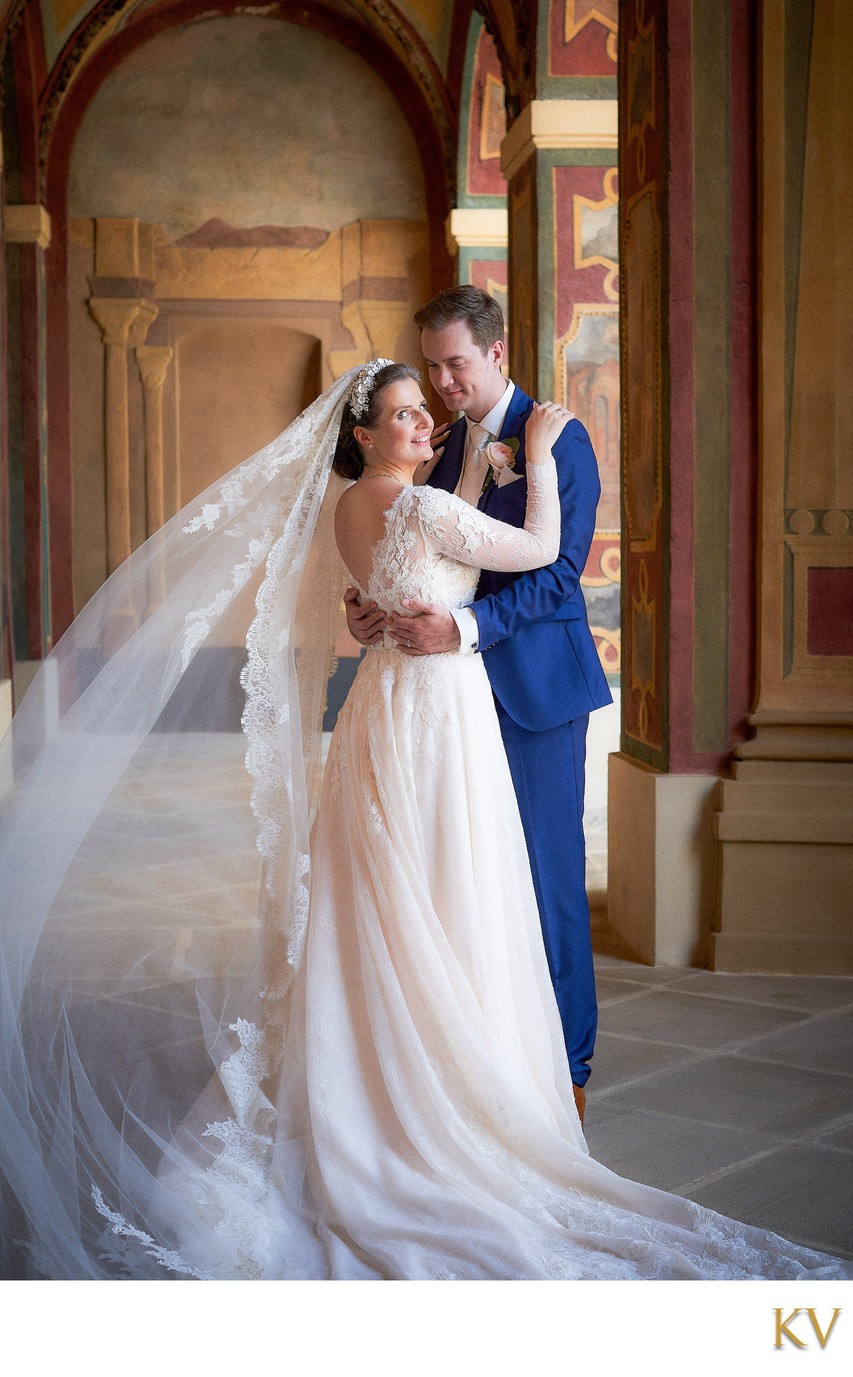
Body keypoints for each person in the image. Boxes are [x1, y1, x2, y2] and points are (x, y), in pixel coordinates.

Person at [0, 359, 847, 1282]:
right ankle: (448, 1080)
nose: (423, 423)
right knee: (457, 880)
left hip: (378, 707)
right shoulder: (421, 507)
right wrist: (540, 455)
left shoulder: (351, 508)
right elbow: (542, 549)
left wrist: (397, 573)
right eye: (404, 413)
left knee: (385, 887)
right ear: (361, 433)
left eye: (423, 410)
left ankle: (371, 1057)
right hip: (439, 711)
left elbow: (381, 591)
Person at [346, 287, 610, 1122]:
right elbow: (405, 548)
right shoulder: (439, 443)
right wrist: (372, 608)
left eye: (455, 362)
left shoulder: (557, 436)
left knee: (543, 879)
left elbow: (558, 570)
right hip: (443, 704)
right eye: (430, 365)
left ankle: (567, 1069)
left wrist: (459, 628)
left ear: (496, 353)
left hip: (529, 688)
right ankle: (477, 1065)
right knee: (458, 878)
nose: (442, 382)